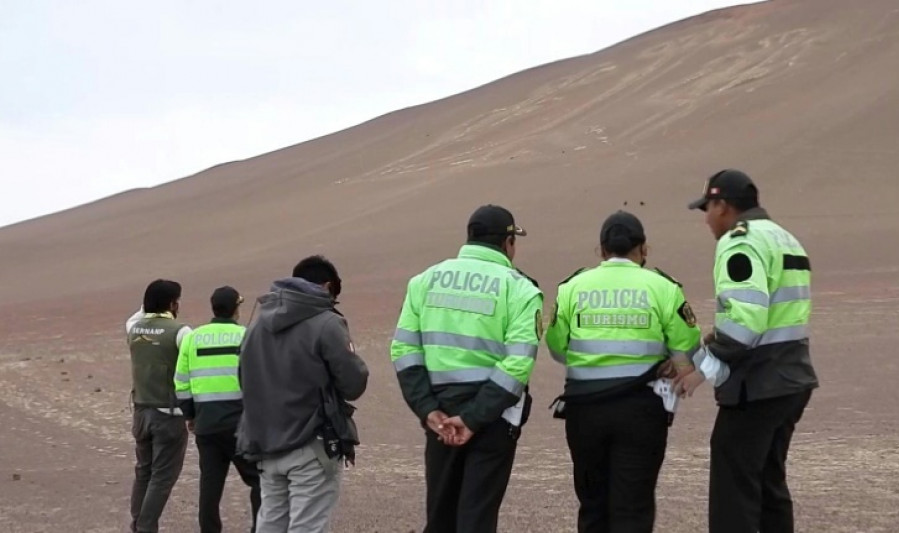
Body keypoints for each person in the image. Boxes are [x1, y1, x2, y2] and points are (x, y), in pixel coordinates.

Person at [680, 169, 819, 533]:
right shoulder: (785, 239)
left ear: (723, 206)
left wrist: (701, 368)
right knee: (770, 484)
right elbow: (770, 314)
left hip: (758, 385)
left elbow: (743, 326)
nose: (706, 218)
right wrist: (710, 340)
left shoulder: (739, 242)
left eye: (708, 208)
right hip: (791, 378)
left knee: (734, 488)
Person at [390, 204, 544, 533]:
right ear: (508, 243)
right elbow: (518, 363)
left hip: (440, 416)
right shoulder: (521, 289)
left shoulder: (424, 281)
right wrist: (473, 418)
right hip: (493, 418)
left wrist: (427, 409)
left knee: (440, 516)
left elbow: (404, 350)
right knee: (477, 519)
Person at [545, 210, 701, 533]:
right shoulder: (663, 287)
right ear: (643, 249)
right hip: (641, 412)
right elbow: (686, 345)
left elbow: (557, 348)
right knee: (633, 508)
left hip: (585, 411)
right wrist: (673, 360)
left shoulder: (572, 287)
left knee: (593, 507)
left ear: (602, 250)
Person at [237, 255, 369, 533]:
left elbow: (243, 380)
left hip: (266, 442)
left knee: (270, 522)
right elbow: (353, 384)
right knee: (308, 525)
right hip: (311, 442)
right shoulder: (327, 323)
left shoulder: (256, 325)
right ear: (328, 287)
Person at [174, 286, 260, 533]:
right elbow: (258, 380)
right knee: (260, 481)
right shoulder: (246, 336)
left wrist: (190, 415)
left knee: (210, 488)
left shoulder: (193, 338)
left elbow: (181, 382)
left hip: (206, 425)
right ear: (236, 308)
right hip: (241, 427)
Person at [125, 279, 193, 533]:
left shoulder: (133, 327)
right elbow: (189, 372)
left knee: (143, 472)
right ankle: (145, 526)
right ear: (173, 304)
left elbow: (140, 313)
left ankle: (138, 523)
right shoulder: (182, 332)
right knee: (162, 477)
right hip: (168, 414)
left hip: (141, 411)